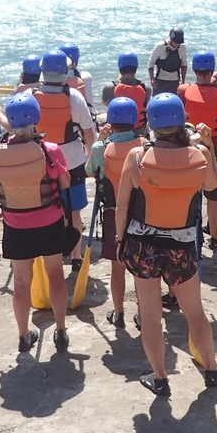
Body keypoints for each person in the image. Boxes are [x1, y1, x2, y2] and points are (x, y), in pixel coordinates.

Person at [115, 93, 217, 396]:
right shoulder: (198, 156)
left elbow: (122, 206)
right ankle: (211, 369)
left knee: (151, 317)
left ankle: (159, 378)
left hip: (142, 245)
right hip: (181, 245)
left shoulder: (137, 157)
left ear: (152, 123)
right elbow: (211, 188)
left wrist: (120, 240)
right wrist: (207, 144)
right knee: (194, 312)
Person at [0, 94, 74, 352]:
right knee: (56, 275)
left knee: (22, 282)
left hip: (16, 225)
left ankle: (24, 336)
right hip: (49, 221)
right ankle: (60, 330)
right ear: (36, 118)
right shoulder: (49, 150)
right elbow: (65, 182)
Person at [29, 50, 96, 269]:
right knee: (73, 210)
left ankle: (49, 253)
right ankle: (76, 256)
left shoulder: (31, 96)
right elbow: (88, 132)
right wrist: (88, 155)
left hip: (41, 160)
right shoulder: (75, 96)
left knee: (43, 209)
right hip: (72, 161)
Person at [85, 97, 147, 328]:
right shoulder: (145, 145)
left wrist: (99, 141)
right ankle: (142, 315)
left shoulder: (101, 148)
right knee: (141, 268)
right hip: (141, 213)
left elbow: (89, 171)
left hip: (113, 213)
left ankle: (119, 312)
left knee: (117, 266)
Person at [177, 51, 217, 249]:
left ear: (194, 69)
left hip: (189, 147)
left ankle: (189, 232)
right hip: (214, 147)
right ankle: (215, 237)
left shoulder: (183, 90)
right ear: (212, 70)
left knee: (190, 193)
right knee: (215, 195)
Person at [102, 52, 151, 135]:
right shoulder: (146, 88)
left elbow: (106, 103)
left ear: (120, 67)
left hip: (116, 132)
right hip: (139, 131)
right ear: (136, 67)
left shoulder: (109, 88)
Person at [148, 28, 187, 95]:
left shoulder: (182, 48)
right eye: (176, 42)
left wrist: (183, 81)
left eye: (179, 43)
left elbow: (184, 65)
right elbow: (151, 64)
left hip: (175, 81)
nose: (177, 44)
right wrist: (152, 79)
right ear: (171, 39)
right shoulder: (160, 46)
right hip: (160, 81)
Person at [60, 42, 94, 107]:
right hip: (81, 113)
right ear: (75, 63)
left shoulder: (52, 80)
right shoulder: (85, 76)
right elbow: (89, 102)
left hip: (62, 113)